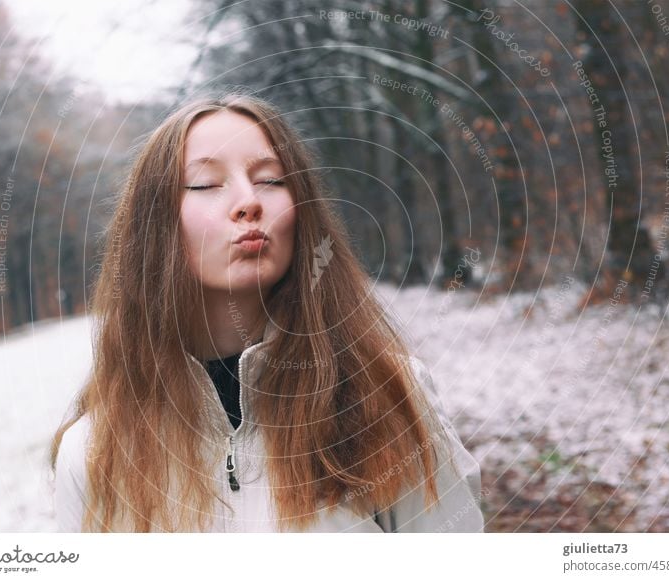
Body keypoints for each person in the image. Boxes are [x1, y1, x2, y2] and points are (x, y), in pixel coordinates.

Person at [50, 91, 484, 533]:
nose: (248, 201)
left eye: (272, 180)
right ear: (153, 226)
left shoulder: (387, 398)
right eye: (204, 184)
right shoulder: (92, 453)